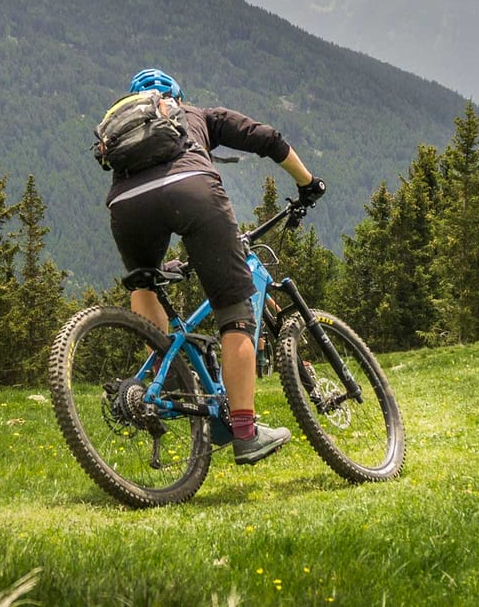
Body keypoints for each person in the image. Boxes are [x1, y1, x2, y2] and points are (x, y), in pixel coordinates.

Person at [105, 67, 326, 465]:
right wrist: (307, 183)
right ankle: (245, 432)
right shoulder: (198, 115)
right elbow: (267, 139)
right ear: (176, 98)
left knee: (145, 285)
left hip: (125, 204)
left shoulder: (125, 132)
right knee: (234, 312)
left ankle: (166, 373)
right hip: (192, 189)